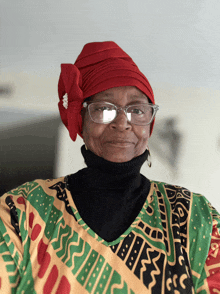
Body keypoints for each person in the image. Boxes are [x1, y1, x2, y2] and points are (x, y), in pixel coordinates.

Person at [0, 41, 219, 294]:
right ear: (81, 119)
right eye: (104, 109)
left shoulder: (193, 217)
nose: (122, 122)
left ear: (150, 123)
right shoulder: (23, 211)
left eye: (137, 109)